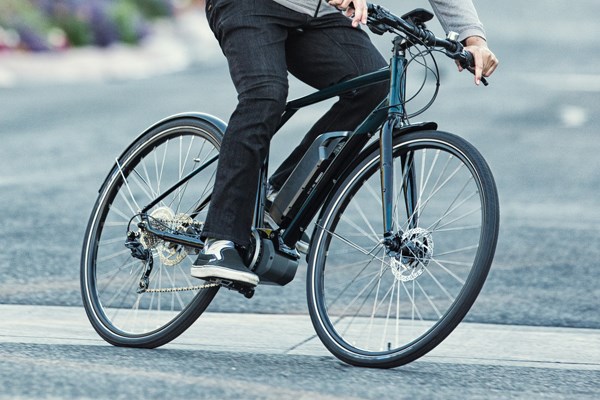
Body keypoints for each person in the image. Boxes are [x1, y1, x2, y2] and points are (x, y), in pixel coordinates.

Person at [191, 0, 499, 287]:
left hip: (316, 13)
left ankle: (278, 197)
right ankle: (219, 240)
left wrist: (474, 39)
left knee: (377, 88)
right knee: (265, 95)